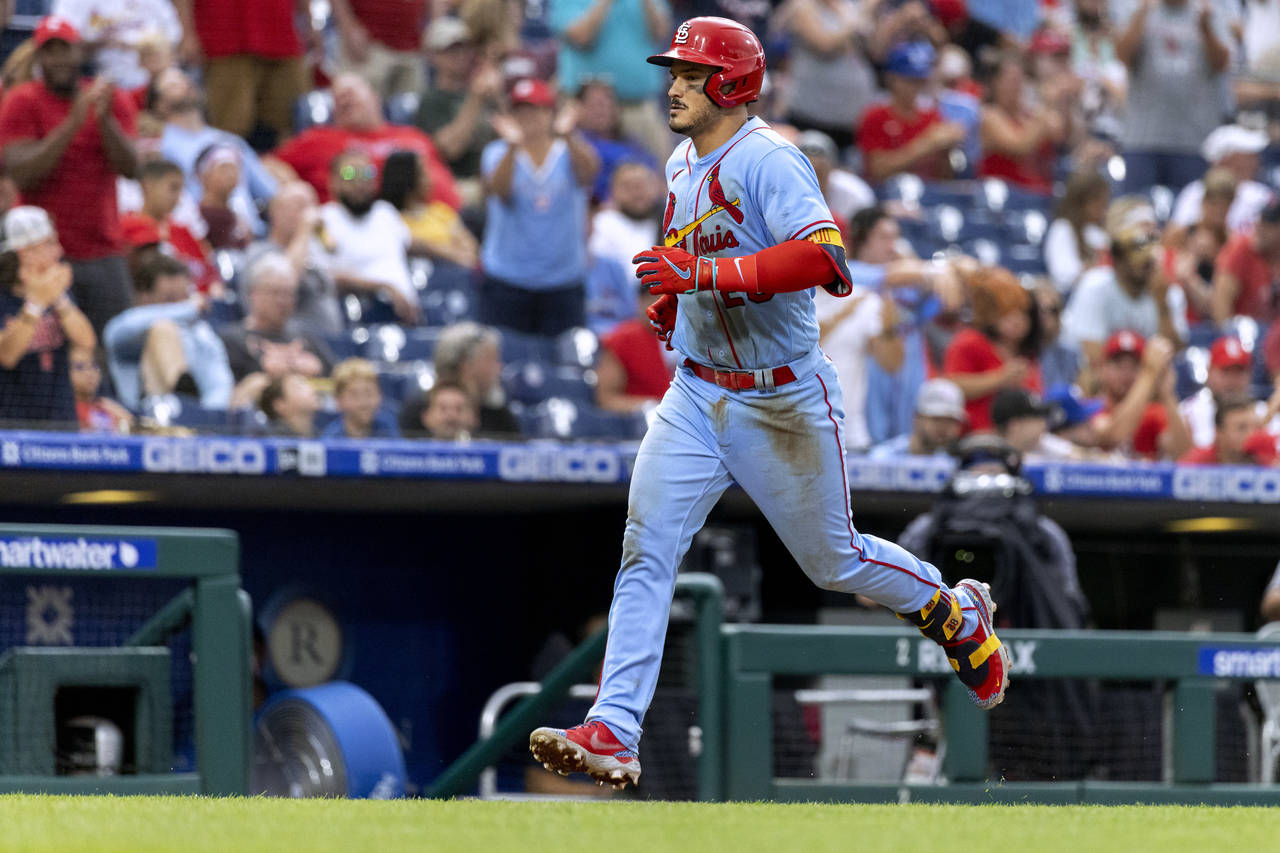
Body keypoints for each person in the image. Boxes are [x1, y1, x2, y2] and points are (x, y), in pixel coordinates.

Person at [528, 17, 1009, 791]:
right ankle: (614, 729)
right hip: (695, 391)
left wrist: (704, 280)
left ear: (731, 83)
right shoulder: (684, 159)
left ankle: (954, 613)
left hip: (779, 396)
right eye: (675, 71)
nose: (674, 85)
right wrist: (671, 303)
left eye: (691, 73)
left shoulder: (768, 157)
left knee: (832, 560)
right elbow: (688, 261)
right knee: (646, 550)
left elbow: (825, 256)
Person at [0, 16, 139, 337]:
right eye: (51, 50)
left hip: (103, 248)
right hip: (40, 252)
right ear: (39, 57)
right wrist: (73, 123)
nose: (60, 58)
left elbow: (132, 168)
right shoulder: (23, 100)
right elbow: (22, 173)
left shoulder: (109, 98)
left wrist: (104, 122)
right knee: (45, 346)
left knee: (114, 341)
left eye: (67, 49)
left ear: (81, 53)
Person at [480, 77, 600, 336]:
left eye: (535, 110)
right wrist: (513, 146)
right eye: (520, 112)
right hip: (508, 279)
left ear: (550, 114)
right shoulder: (495, 153)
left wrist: (567, 135)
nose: (528, 118)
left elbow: (589, 173)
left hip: (563, 281)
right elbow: (500, 192)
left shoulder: (569, 151)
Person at [272, 72, 461, 210]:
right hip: (361, 225)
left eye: (351, 93)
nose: (344, 99)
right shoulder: (317, 139)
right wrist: (293, 185)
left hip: (440, 221)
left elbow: (444, 179)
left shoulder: (413, 135)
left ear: (375, 98)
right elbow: (268, 165)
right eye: (338, 98)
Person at [1112, 0, 1231, 193]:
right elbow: (1122, 56)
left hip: (1194, 142)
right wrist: (1141, 14)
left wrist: (1205, 27)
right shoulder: (1139, 10)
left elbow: (1223, 64)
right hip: (1143, 139)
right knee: (1135, 211)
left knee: (1189, 213)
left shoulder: (1208, 11)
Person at [1062, 197, 1187, 381]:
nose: (1144, 259)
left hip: (1151, 386)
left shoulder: (1170, 294)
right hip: (1101, 385)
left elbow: (1175, 355)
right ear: (1118, 256)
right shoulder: (1095, 286)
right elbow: (1093, 359)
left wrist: (1162, 306)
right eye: (1135, 249)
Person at [150, 68, 278, 237]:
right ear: (159, 105)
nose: (185, 85)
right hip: (202, 234)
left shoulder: (231, 140)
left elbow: (270, 192)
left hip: (253, 235)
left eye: (185, 79)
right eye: (173, 85)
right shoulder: (160, 148)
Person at [0, 205, 96, 424]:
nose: (59, 251)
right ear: (26, 252)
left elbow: (86, 341)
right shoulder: (4, 298)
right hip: (10, 427)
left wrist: (59, 299)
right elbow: (7, 355)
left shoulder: (57, 292)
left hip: (61, 423)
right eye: (50, 243)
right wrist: (35, 304)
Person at [102, 250, 232, 410]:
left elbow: (219, 383)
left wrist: (210, 415)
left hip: (200, 415)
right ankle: (182, 405)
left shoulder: (200, 332)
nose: (179, 306)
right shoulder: (129, 327)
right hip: (145, 417)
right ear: (144, 297)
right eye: (170, 299)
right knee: (163, 329)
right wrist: (188, 308)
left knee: (257, 384)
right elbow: (114, 332)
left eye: (184, 298)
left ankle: (191, 412)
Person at [548, 0, 672, 160]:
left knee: (659, 171)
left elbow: (662, 31)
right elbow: (581, 36)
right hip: (583, 109)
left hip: (637, 106)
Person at [171, 0, 306, 146]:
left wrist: (309, 22)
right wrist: (187, 33)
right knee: (230, 125)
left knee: (290, 121)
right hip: (226, 36)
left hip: (282, 31)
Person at [320, 149, 419, 325]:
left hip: (406, 316)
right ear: (333, 182)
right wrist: (384, 286)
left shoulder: (385, 212)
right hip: (358, 317)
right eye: (350, 174)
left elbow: (412, 244)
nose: (359, 181)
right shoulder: (323, 220)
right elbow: (322, 275)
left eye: (367, 173)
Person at [216, 252, 333, 399]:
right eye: (275, 293)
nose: (282, 301)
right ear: (254, 294)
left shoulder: (307, 337)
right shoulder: (231, 339)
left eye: (289, 294)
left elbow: (337, 377)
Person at [943, 265, 1042, 432]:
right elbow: (950, 386)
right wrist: (1000, 379)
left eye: (1023, 313)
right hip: (974, 437)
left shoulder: (1026, 352)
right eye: (1008, 312)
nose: (1016, 321)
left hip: (1018, 440)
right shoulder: (969, 341)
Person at [771, 0, 878, 152]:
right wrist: (858, 20)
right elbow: (825, 45)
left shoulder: (849, 7)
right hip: (811, 114)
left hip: (850, 118)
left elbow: (876, 51)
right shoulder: (802, 6)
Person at [857, 40, 966, 183]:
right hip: (886, 194)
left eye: (920, 81)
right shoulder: (876, 116)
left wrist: (947, 150)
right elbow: (877, 170)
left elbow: (944, 178)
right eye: (909, 80)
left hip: (927, 193)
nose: (915, 87)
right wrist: (927, 145)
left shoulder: (931, 116)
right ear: (892, 79)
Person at [244, 181, 343, 337]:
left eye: (312, 206)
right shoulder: (259, 252)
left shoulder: (310, 251)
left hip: (327, 343)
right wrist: (304, 231)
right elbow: (287, 277)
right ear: (275, 211)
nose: (309, 214)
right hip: (289, 344)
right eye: (300, 206)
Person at [413, 17, 499, 194]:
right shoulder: (432, 99)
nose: (460, 55)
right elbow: (449, 150)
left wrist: (498, 95)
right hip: (456, 182)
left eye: (465, 48)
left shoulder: (484, 90)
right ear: (434, 56)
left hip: (493, 177)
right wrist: (475, 99)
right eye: (451, 50)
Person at [1089, 329, 1192, 459]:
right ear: (1102, 368)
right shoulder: (1091, 407)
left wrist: (1167, 395)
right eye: (1119, 364)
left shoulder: (1154, 413)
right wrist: (1149, 374)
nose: (1126, 373)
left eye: (1135, 365)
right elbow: (1114, 434)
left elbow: (1183, 453)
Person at [119, 158, 218, 293]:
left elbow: (209, 274)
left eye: (180, 190)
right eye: (173, 188)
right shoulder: (126, 227)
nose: (178, 199)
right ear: (147, 186)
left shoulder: (182, 231)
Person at [976, 50, 1067, 195]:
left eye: (1019, 80)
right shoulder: (990, 115)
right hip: (1006, 196)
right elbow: (1020, 147)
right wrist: (1046, 105)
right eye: (1011, 81)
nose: (1016, 87)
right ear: (995, 83)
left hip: (1038, 192)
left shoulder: (1030, 115)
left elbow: (1059, 134)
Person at [377, 149, 479, 269]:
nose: (430, 179)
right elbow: (406, 243)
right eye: (423, 173)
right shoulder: (386, 216)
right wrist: (446, 253)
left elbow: (469, 250)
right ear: (406, 178)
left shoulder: (440, 211)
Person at [49, 0, 183, 91]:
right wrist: (104, 43)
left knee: (175, 83)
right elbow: (63, 41)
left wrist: (147, 47)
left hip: (155, 77)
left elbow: (174, 36)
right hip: (103, 78)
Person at [1170, 124, 1273, 235]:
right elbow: (1175, 237)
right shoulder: (1196, 192)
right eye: (1249, 156)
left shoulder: (1261, 194)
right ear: (1226, 159)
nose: (1256, 162)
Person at [574, 80, 660, 204]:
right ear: (580, 109)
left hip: (642, 209)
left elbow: (654, 176)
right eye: (594, 105)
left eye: (606, 104)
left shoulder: (630, 140)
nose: (601, 111)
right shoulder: (576, 143)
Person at [595, 284, 675, 414]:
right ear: (640, 301)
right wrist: (649, 406)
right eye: (655, 299)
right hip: (642, 425)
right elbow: (606, 398)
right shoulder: (622, 340)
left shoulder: (696, 338)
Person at [431, 320, 520, 437]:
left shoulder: (500, 416)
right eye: (491, 359)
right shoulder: (419, 411)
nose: (499, 367)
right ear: (466, 366)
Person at [328, 0, 429, 98]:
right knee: (360, 105)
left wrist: (435, 23)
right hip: (369, 44)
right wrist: (348, 26)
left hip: (411, 45)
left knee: (410, 108)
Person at [1209, 196, 1280, 329]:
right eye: (1261, 219)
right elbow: (1220, 304)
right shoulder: (1242, 248)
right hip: (1243, 333)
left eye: (1269, 223)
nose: (1259, 226)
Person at [795, 129, 875, 237]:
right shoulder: (782, 192)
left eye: (819, 171)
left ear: (832, 168)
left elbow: (866, 239)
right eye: (807, 171)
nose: (814, 179)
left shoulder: (854, 193)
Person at [1043, 171, 1111, 298]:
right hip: (1072, 298)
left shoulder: (1101, 233)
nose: (1103, 207)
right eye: (1097, 201)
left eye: (1105, 201)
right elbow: (1064, 276)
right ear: (1081, 201)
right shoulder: (1063, 228)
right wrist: (1094, 267)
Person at [867, 376, 967, 458]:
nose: (943, 427)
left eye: (951, 421)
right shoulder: (883, 457)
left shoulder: (952, 463)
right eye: (936, 419)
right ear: (917, 417)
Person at [1179, 393, 1279, 465]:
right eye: (1241, 428)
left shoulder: (1267, 460)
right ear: (1219, 433)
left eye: (1255, 427)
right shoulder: (1198, 463)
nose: (1251, 434)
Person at [320, 356, 399, 438]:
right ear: (338, 400)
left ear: (380, 395)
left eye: (369, 393)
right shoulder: (331, 439)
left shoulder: (388, 427)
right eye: (354, 395)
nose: (363, 402)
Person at [194, 142, 250, 250]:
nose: (231, 174)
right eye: (224, 168)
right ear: (203, 175)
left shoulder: (238, 213)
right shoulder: (197, 217)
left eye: (234, 168)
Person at [70, 343, 131, 432]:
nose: (89, 373)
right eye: (79, 367)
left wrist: (124, 417)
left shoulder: (106, 407)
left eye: (94, 366)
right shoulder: (67, 411)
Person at [1035, 278, 1082, 391]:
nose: (1045, 317)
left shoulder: (1071, 352)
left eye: (1052, 310)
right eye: (1040, 310)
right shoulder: (1020, 352)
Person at [256, 371, 319, 437]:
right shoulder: (275, 441)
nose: (311, 389)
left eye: (307, 384)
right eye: (298, 387)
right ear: (280, 405)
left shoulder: (321, 436)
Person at [415, 379, 479, 440]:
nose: (451, 415)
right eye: (443, 408)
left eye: (459, 409)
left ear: (474, 417)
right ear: (426, 416)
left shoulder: (486, 448)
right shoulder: (413, 449)